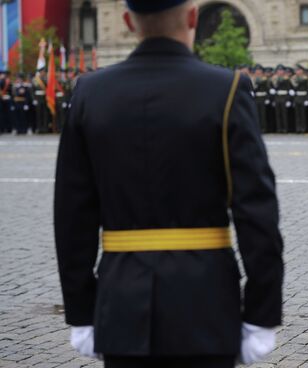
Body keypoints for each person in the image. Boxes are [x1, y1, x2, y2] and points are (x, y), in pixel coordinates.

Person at [54, 1, 284, 367]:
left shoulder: (90, 92)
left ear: (128, 22)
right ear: (192, 16)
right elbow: (257, 211)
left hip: (121, 303)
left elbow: (72, 216)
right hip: (206, 303)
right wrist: (261, 313)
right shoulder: (226, 90)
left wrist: (81, 312)